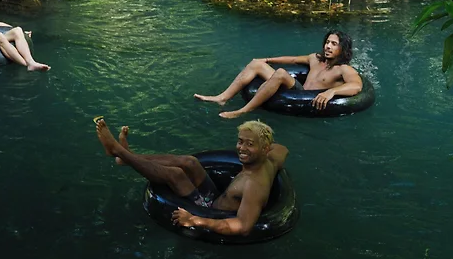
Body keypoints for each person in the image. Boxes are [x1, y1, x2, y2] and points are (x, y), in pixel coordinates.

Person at [94, 117, 287, 237]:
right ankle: (126, 157)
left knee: (175, 174)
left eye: (250, 144)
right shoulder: (271, 159)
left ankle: (118, 151)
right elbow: (283, 149)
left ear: (264, 149)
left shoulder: (255, 185)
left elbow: (243, 227)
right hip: (216, 196)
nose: (242, 148)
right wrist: (259, 135)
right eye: (240, 142)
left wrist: (196, 220)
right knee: (189, 162)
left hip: (210, 209)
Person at [194, 30, 363, 119]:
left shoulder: (343, 69)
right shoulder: (315, 58)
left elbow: (356, 86)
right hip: (298, 90)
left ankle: (243, 111)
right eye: (327, 42)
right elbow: (293, 60)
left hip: (307, 100)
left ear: (342, 48)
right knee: (256, 63)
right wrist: (267, 59)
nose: (328, 46)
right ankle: (223, 97)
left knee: (281, 73)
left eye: (334, 44)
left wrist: (332, 91)